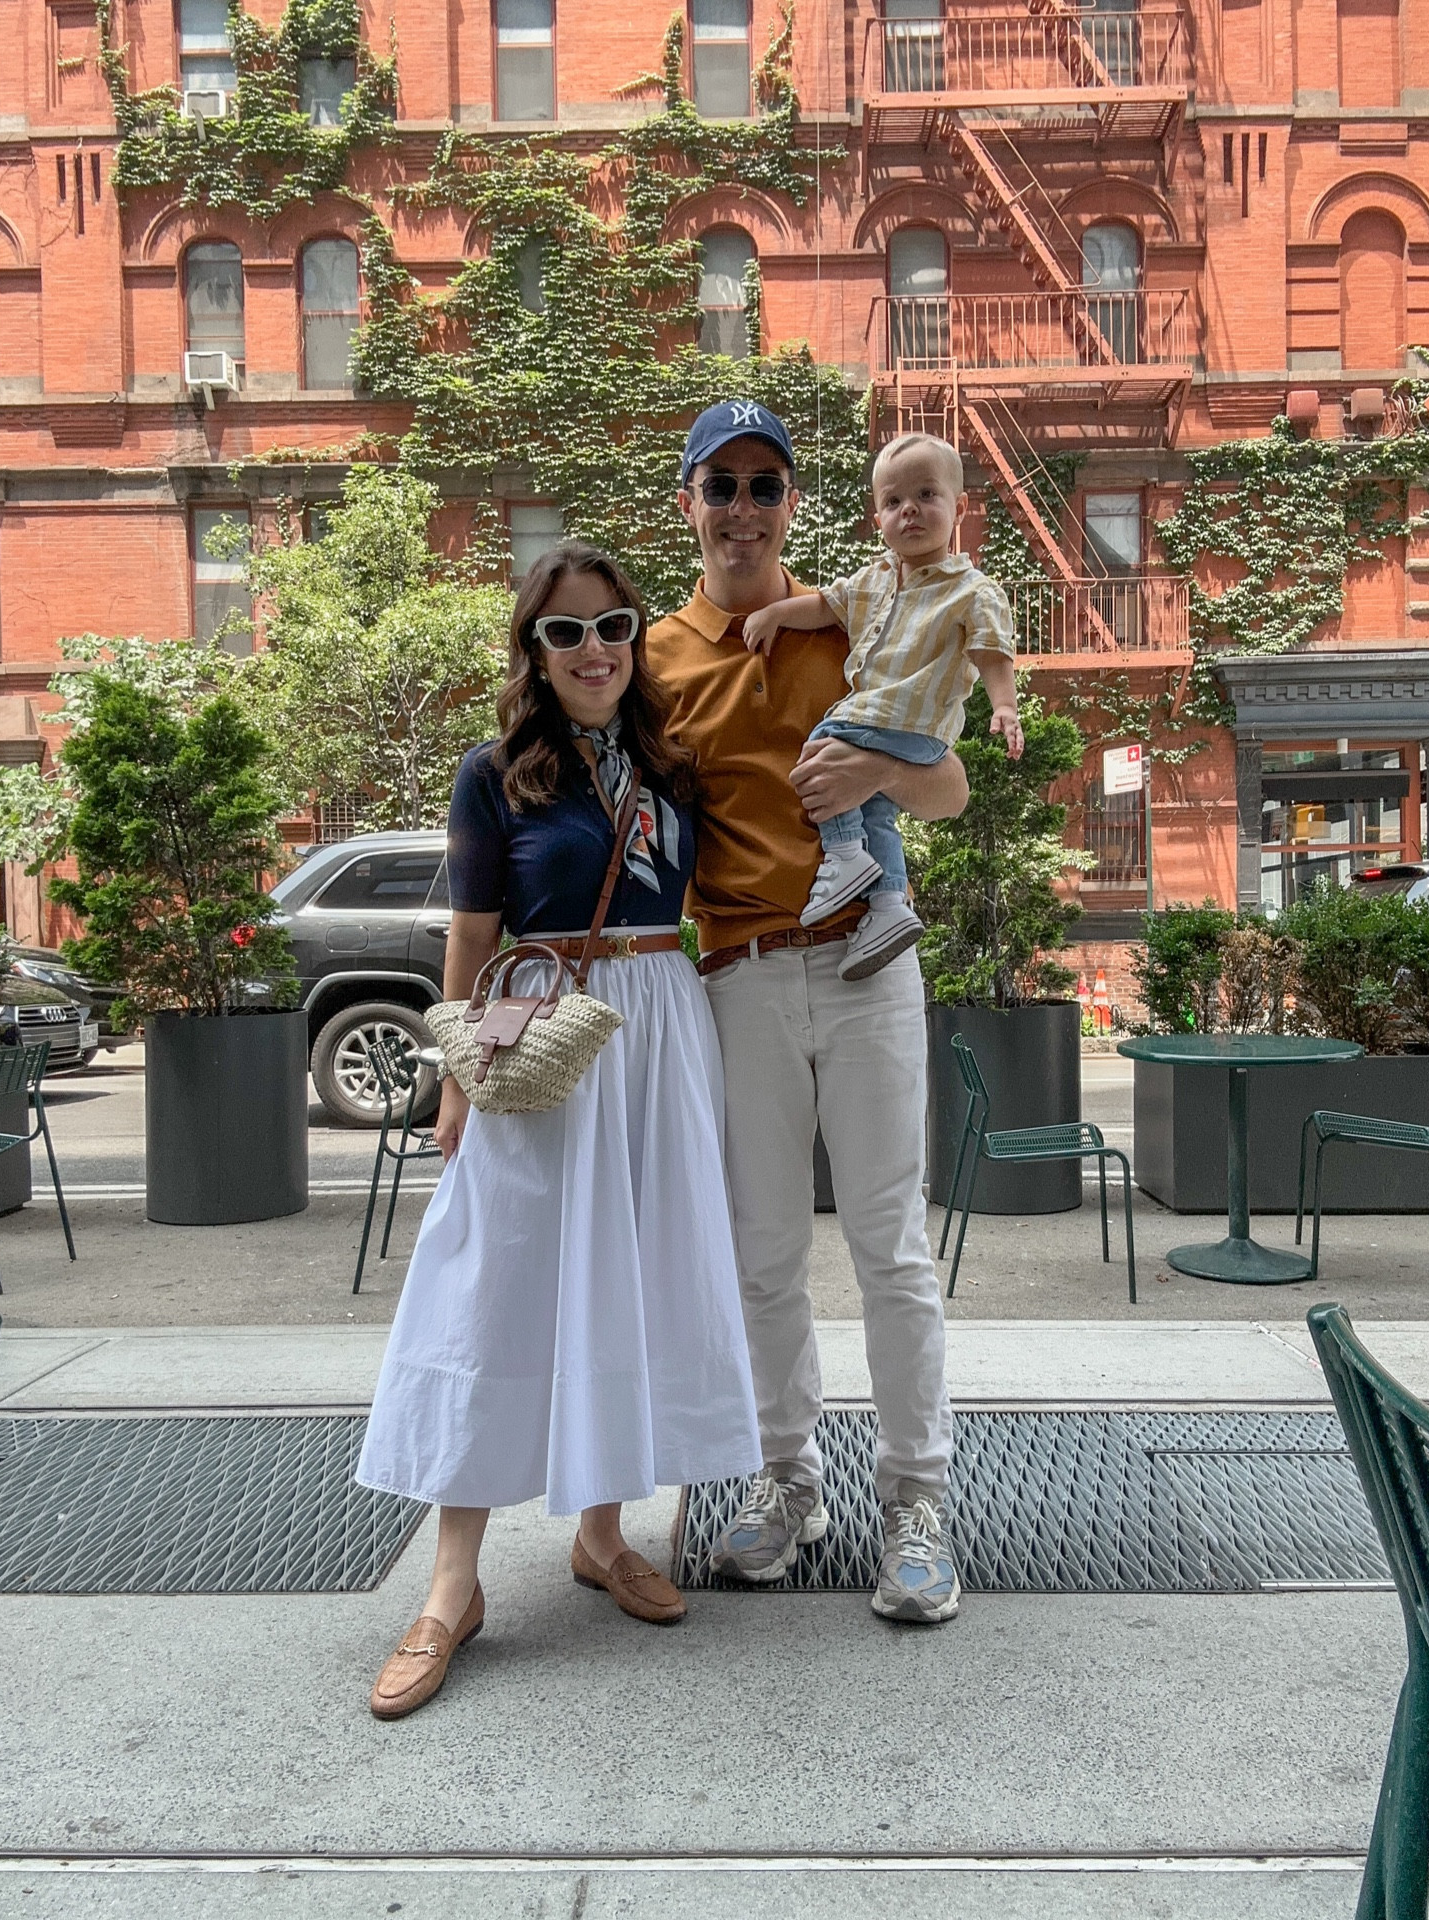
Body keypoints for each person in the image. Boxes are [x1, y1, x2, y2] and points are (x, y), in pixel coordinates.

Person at [356, 542, 762, 1719]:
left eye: (615, 627)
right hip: (538, 1035)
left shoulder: (672, 767)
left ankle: (602, 1534)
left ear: (638, 640)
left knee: (632, 1275)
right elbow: (469, 940)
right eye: (567, 632)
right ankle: (450, 1589)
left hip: (659, 1030)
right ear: (533, 650)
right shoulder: (495, 774)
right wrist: (453, 1087)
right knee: (494, 1286)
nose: (595, 651)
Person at [649, 401, 972, 1625]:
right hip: (738, 974)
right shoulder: (658, 656)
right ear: (688, 502)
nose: (742, 508)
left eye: (764, 487)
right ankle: (791, 1480)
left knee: (891, 1246)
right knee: (765, 1256)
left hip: (866, 961)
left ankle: (916, 1504)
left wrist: (883, 770)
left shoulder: (863, 619)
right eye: (719, 485)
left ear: (793, 505)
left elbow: (944, 785)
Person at [742, 431, 1023, 981]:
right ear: (878, 519)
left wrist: (1005, 706)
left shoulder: (972, 590)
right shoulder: (874, 579)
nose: (909, 511)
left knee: (823, 744)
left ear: (959, 507)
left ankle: (844, 855)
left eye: (926, 495)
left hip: (910, 722)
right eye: (893, 502)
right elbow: (826, 605)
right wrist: (777, 613)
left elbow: (993, 652)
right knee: (874, 805)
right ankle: (890, 906)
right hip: (887, 723)